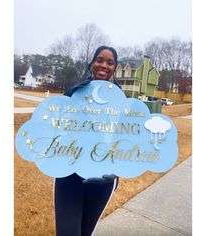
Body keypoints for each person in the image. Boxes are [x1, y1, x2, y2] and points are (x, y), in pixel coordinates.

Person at [54, 46, 120, 236]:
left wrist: (120, 169)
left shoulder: (120, 99)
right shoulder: (74, 92)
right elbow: (56, 129)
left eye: (110, 62)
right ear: (92, 63)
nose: (104, 65)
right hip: (69, 175)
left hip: (102, 180)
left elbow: (124, 140)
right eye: (99, 60)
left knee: (85, 233)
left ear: (115, 67)